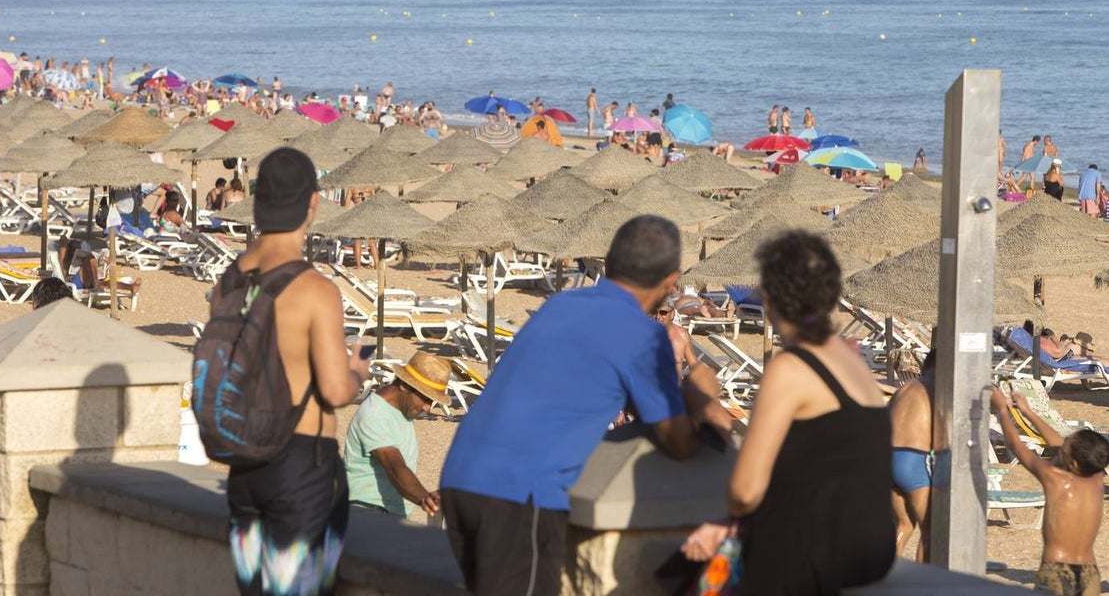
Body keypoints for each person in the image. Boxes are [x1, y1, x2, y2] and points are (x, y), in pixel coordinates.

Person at [439, 215, 735, 596]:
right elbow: (677, 441)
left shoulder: (560, 305)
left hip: (462, 477)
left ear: (608, 263)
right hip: (518, 495)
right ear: (671, 279)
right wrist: (701, 393)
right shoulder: (644, 334)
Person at [681, 231, 894, 594]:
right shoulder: (853, 362)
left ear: (771, 297)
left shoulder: (791, 367)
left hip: (823, 553)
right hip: (873, 548)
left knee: (687, 574)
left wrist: (701, 402)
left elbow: (743, 493)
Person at [221, 148, 371, 596]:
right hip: (301, 465)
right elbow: (333, 388)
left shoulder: (231, 278)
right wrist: (357, 369)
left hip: (246, 464)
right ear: (312, 204)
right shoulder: (315, 290)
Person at [990, 387, 1109, 596]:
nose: (1061, 445)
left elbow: (1016, 445)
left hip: (1057, 571)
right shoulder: (1097, 478)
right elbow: (1059, 444)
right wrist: (1027, 411)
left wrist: (1001, 409)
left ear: (1072, 462)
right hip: (1089, 573)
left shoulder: (1055, 479)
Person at [345, 351, 451, 519]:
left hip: (387, 512)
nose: (427, 408)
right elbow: (394, 467)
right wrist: (424, 498)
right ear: (404, 385)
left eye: (431, 401)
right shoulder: (375, 415)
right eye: (425, 397)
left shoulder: (401, 409)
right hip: (368, 511)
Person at [889, 348, 936, 562]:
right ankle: (922, 585)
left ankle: (888, 581)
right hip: (912, 459)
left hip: (887, 456)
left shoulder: (904, 387)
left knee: (904, 525)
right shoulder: (936, 388)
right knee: (930, 531)